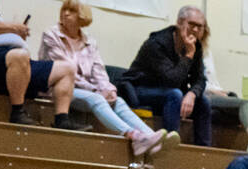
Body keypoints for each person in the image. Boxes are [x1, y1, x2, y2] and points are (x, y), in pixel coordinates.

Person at [38, 0, 164, 155]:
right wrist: (97, 91)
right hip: (59, 90)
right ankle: (134, 136)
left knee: (118, 100)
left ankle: (151, 137)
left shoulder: (90, 42)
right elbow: (66, 72)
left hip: (87, 91)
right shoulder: (51, 35)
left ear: (82, 16)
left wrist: (108, 89)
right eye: (64, 9)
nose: (65, 13)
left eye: (72, 11)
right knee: (96, 99)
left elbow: (99, 72)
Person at [0, 0, 85, 129]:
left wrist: (16, 35)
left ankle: (62, 120)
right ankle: (17, 112)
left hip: (15, 60)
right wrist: (14, 28)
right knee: (19, 55)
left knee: (67, 68)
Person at [122, 5, 211, 147]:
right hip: (141, 89)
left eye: (199, 27)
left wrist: (192, 94)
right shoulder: (157, 43)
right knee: (175, 94)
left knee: (203, 102)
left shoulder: (196, 46)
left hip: (168, 93)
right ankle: (170, 146)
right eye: (191, 24)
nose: (195, 30)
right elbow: (171, 80)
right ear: (179, 22)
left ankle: (203, 150)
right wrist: (188, 55)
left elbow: (200, 78)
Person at [200, 23, 248, 149]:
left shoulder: (206, 51)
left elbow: (211, 79)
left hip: (215, 92)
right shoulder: (188, 51)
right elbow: (193, 83)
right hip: (204, 94)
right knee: (245, 103)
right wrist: (214, 91)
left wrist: (221, 91)